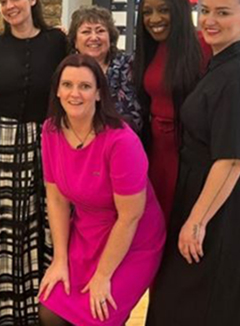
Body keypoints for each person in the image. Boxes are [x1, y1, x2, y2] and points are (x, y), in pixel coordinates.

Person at [146, 0, 240, 325]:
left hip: (224, 205)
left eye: (223, 12)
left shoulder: (239, 75)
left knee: (202, 306)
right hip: (207, 194)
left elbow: (232, 160)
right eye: (205, 10)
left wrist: (197, 221)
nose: (209, 20)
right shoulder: (221, 64)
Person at [37, 54, 165, 326]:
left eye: (85, 86)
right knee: (50, 311)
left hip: (132, 238)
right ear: (57, 91)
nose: (75, 93)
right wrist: (59, 259)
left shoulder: (121, 141)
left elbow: (130, 216)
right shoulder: (51, 130)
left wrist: (103, 275)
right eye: (67, 85)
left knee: (98, 317)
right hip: (87, 232)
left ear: (98, 94)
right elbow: (56, 198)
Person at [0, 0, 67, 325]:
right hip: (1, 141)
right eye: (2, 1)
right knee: (4, 223)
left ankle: (44, 304)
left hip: (47, 140)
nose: (9, 6)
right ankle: (3, 306)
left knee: (45, 219)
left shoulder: (57, 41)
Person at [132, 0, 212, 224]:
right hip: (156, 149)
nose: (154, 19)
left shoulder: (203, 47)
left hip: (189, 150)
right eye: (147, 12)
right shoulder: (150, 49)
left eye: (163, 10)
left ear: (179, 9)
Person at [67, 5, 141, 130]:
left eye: (100, 31)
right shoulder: (67, 71)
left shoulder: (130, 66)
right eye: (86, 32)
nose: (94, 37)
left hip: (126, 139)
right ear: (75, 41)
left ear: (110, 38)